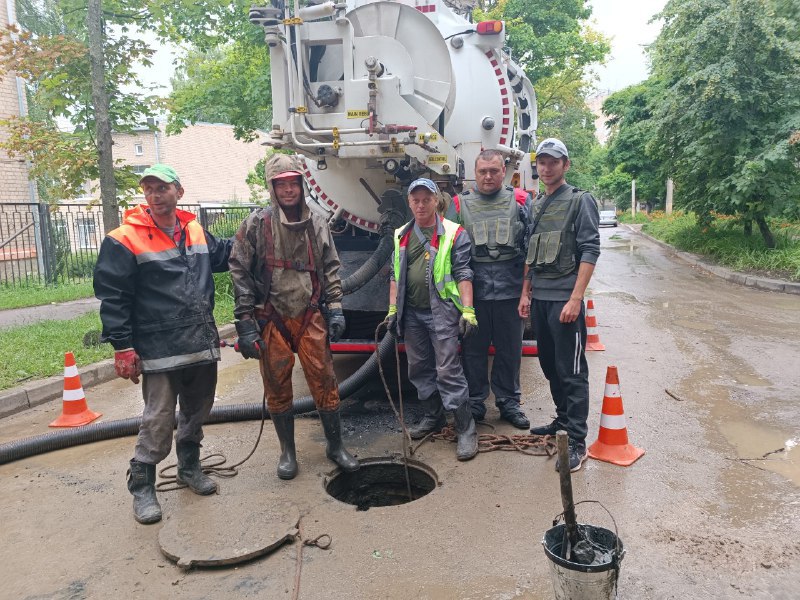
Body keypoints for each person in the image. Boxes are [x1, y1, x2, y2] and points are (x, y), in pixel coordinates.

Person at [93, 164, 232, 524]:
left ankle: (189, 467)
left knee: (198, 410)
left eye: (162, 188)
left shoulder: (194, 229)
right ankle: (142, 487)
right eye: (149, 189)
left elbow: (224, 256)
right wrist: (123, 347)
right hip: (158, 346)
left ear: (178, 192)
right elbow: (113, 296)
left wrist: (258, 229)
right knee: (157, 419)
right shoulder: (124, 238)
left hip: (200, 341)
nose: (155, 195)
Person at [228, 154, 359, 480]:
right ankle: (288, 452)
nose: (288, 190)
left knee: (325, 381)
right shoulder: (256, 225)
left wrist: (337, 309)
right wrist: (245, 324)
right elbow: (240, 271)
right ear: (272, 188)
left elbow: (330, 268)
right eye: (281, 184)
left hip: (310, 315)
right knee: (277, 386)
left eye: (293, 183)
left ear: (301, 185)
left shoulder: (316, 223)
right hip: (270, 318)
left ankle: (335, 446)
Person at [518, 138, 600, 473]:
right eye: (542, 162)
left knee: (572, 371)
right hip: (540, 300)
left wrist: (576, 298)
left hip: (566, 301)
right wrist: (525, 292)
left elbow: (590, 251)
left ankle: (577, 440)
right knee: (551, 367)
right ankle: (562, 421)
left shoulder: (581, 201)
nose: (547, 167)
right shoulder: (535, 205)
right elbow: (529, 254)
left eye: (554, 162)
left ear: (566, 165)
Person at [384, 178, 479, 461]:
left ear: (437, 201)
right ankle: (432, 417)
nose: (421, 204)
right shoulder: (401, 234)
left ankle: (465, 429)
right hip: (410, 314)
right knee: (419, 367)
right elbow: (394, 275)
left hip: (442, 312)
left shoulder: (454, 233)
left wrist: (468, 310)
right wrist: (392, 310)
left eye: (427, 199)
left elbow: (464, 273)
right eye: (416, 200)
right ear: (409, 203)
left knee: (448, 369)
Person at [456, 149, 531, 429]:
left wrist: (526, 291)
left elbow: (530, 251)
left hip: (510, 293)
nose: (488, 176)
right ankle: (476, 402)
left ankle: (509, 402)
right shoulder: (459, 204)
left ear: (504, 172)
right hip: (472, 295)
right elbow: (449, 252)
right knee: (472, 351)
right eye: (482, 171)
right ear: (474, 174)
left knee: (510, 350)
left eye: (494, 171)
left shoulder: (521, 202)